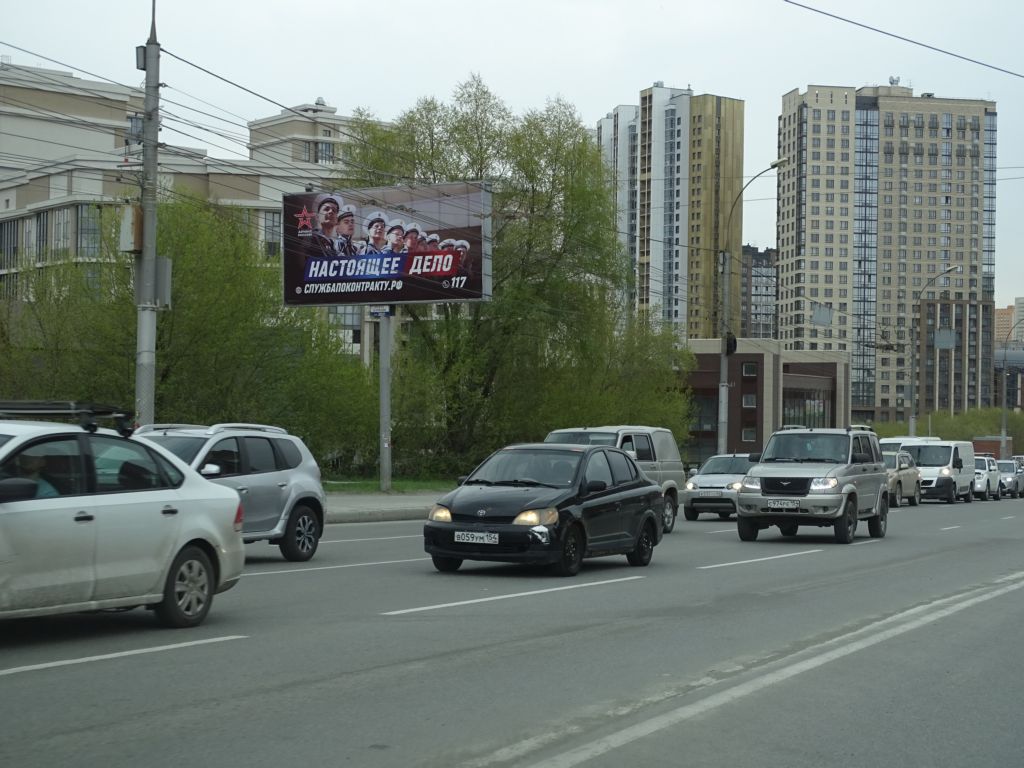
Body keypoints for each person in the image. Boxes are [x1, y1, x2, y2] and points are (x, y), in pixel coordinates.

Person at [307, 193, 343, 258]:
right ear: (317, 217)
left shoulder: (339, 244)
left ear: (337, 219)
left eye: (334, 210)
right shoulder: (311, 239)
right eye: (326, 209)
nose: (331, 211)